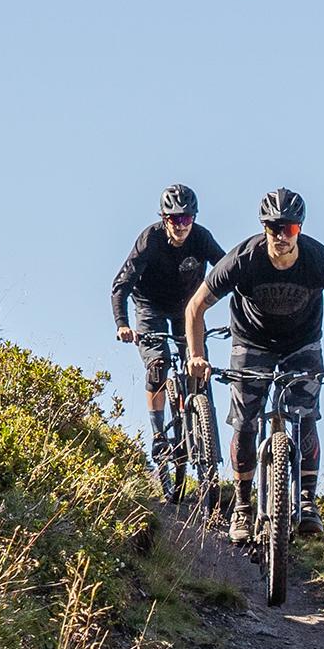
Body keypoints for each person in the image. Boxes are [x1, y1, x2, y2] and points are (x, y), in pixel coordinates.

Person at [185, 188, 324, 543]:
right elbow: (195, 307)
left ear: (299, 229)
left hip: (301, 345)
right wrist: (198, 355)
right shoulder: (244, 258)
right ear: (264, 228)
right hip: (250, 343)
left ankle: (306, 501)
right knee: (245, 422)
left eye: (289, 229)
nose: (281, 236)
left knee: (303, 416)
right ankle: (242, 509)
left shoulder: (317, 260)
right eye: (274, 228)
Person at [111, 184, 225, 471]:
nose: (181, 225)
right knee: (158, 364)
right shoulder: (150, 240)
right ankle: (160, 433)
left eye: (186, 218)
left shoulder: (201, 238)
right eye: (174, 219)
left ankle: (207, 436)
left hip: (187, 308)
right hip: (150, 306)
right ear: (164, 219)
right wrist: (123, 324)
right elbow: (120, 286)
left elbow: (227, 269)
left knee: (199, 364)